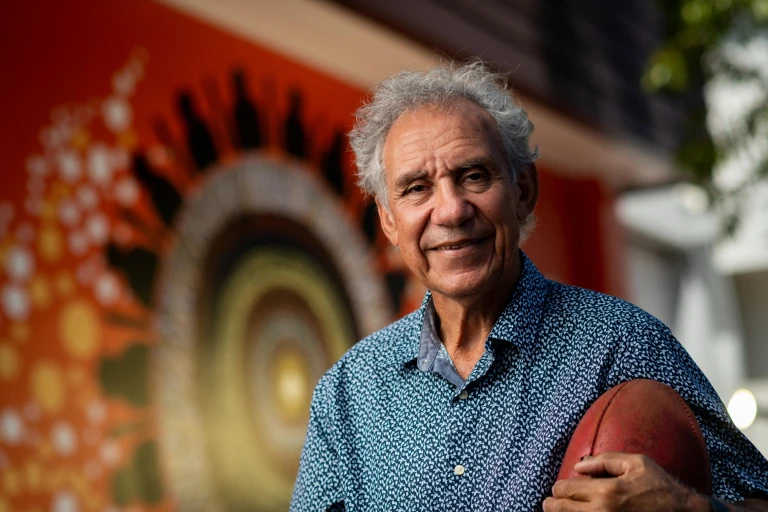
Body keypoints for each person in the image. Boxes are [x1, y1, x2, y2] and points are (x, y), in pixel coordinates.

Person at [290, 60, 768, 511]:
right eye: (417, 188)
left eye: (474, 176)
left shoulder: (623, 343)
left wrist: (686, 508)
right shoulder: (347, 393)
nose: (452, 210)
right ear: (390, 222)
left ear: (523, 192)